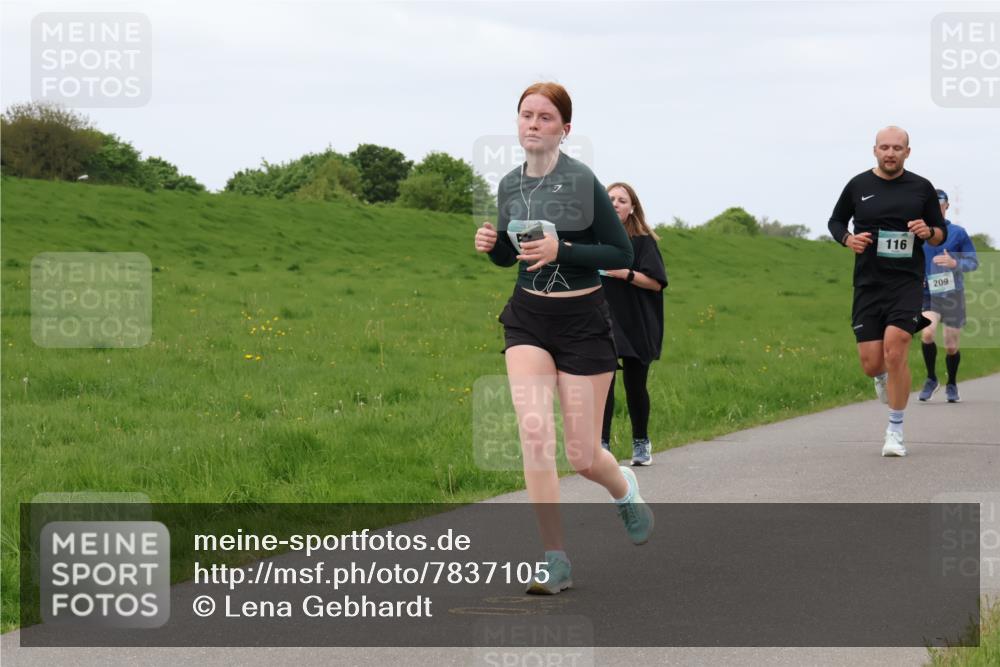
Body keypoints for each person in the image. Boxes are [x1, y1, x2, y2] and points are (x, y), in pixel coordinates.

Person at [474, 82, 653, 594]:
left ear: (564, 129)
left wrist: (563, 250)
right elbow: (513, 255)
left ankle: (624, 490)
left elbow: (620, 254)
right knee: (534, 435)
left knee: (582, 455)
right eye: (526, 115)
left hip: (583, 324)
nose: (533, 124)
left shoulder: (582, 182)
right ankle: (555, 558)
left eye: (545, 117)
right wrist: (492, 247)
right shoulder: (509, 184)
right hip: (528, 319)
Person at [827, 126, 947, 457]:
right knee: (871, 363)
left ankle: (895, 430)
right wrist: (848, 239)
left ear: (907, 152)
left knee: (896, 349)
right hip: (868, 283)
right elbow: (836, 222)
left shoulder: (921, 188)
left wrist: (929, 230)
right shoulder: (858, 185)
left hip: (907, 282)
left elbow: (940, 233)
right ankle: (880, 377)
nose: (890, 152)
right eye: (884, 147)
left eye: (897, 147)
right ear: (875, 151)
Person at [599, 183, 668, 465]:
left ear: (632, 208)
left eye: (621, 199)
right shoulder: (594, 240)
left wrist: (624, 273)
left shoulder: (642, 241)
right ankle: (602, 445)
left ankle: (641, 442)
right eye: (609, 198)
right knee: (603, 384)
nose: (614, 203)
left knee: (635, 386)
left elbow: (656, 283)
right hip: (602, 321)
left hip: (637, 322)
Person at [918, 189, 979, 403]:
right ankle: (931, 378)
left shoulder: (958, 233)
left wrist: (955, 263)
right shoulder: (918, 233)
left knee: (951, 345)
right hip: (927, 295)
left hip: (953, 295)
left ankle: (952, 384)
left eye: (939, 201)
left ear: (947, 205)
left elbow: (973, 262)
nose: (936, 205)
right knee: (927, 333)